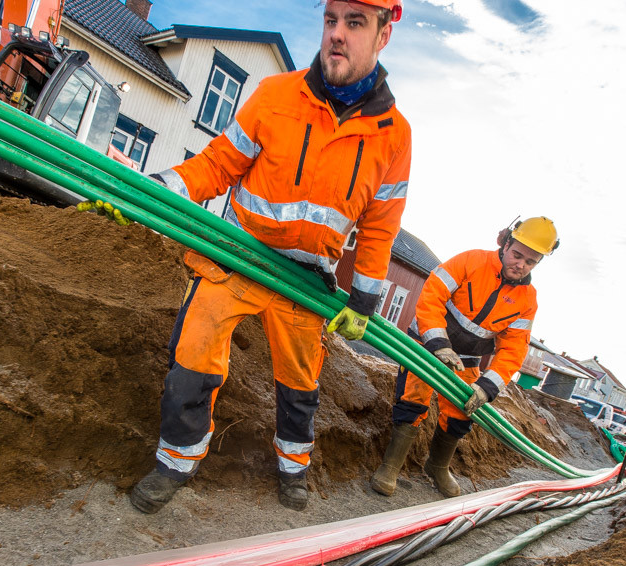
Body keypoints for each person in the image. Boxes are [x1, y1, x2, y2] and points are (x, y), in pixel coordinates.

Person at [87, 0, 411, 514]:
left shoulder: (395, 136)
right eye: (331, 21)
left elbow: (380, 229)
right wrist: (152, 192)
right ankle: (176, 461)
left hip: (306, 283)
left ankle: (292, 468)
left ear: (382, 35)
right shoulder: (275, 95)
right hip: (236, 255)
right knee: (192, 357)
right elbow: (218, 164)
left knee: (300, 386)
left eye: (355, 23)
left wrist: (366, 302)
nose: (337, 35)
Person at [370, 217, 559, 498]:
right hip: (426, 344)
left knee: (461, 412)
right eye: (517, 255)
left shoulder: (527, 300)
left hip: (468, 359)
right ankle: (390, 466)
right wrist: (439, 343)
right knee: (413, 400)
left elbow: (514, 349)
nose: (521, 265)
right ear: (506, 243)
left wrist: (488, 386)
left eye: (530, 262)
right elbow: (432, 296)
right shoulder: (471, 261)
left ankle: (437, 467)